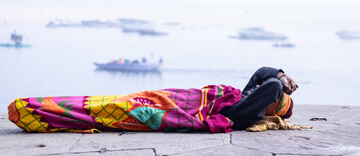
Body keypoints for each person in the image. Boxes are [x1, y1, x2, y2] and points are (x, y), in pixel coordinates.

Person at [8, 66, 298, 133]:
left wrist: (279, 84)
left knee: (121, 107)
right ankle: (40, 105)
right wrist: (284, 74)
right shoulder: (246, 96)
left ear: (271, 104)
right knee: (127, 98)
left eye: (274, 103)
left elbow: (270, 84)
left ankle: (37, 111)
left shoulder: (243, 113)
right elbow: (264, 73)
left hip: (189, 110)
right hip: (184, 97)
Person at [220, 66, 298, 130]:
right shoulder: (246, 94)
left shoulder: (246, 113)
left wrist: (283, 84)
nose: (257, 85)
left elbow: (275, 85)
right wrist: (282, 76)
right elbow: (260, 72)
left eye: (262, 87)